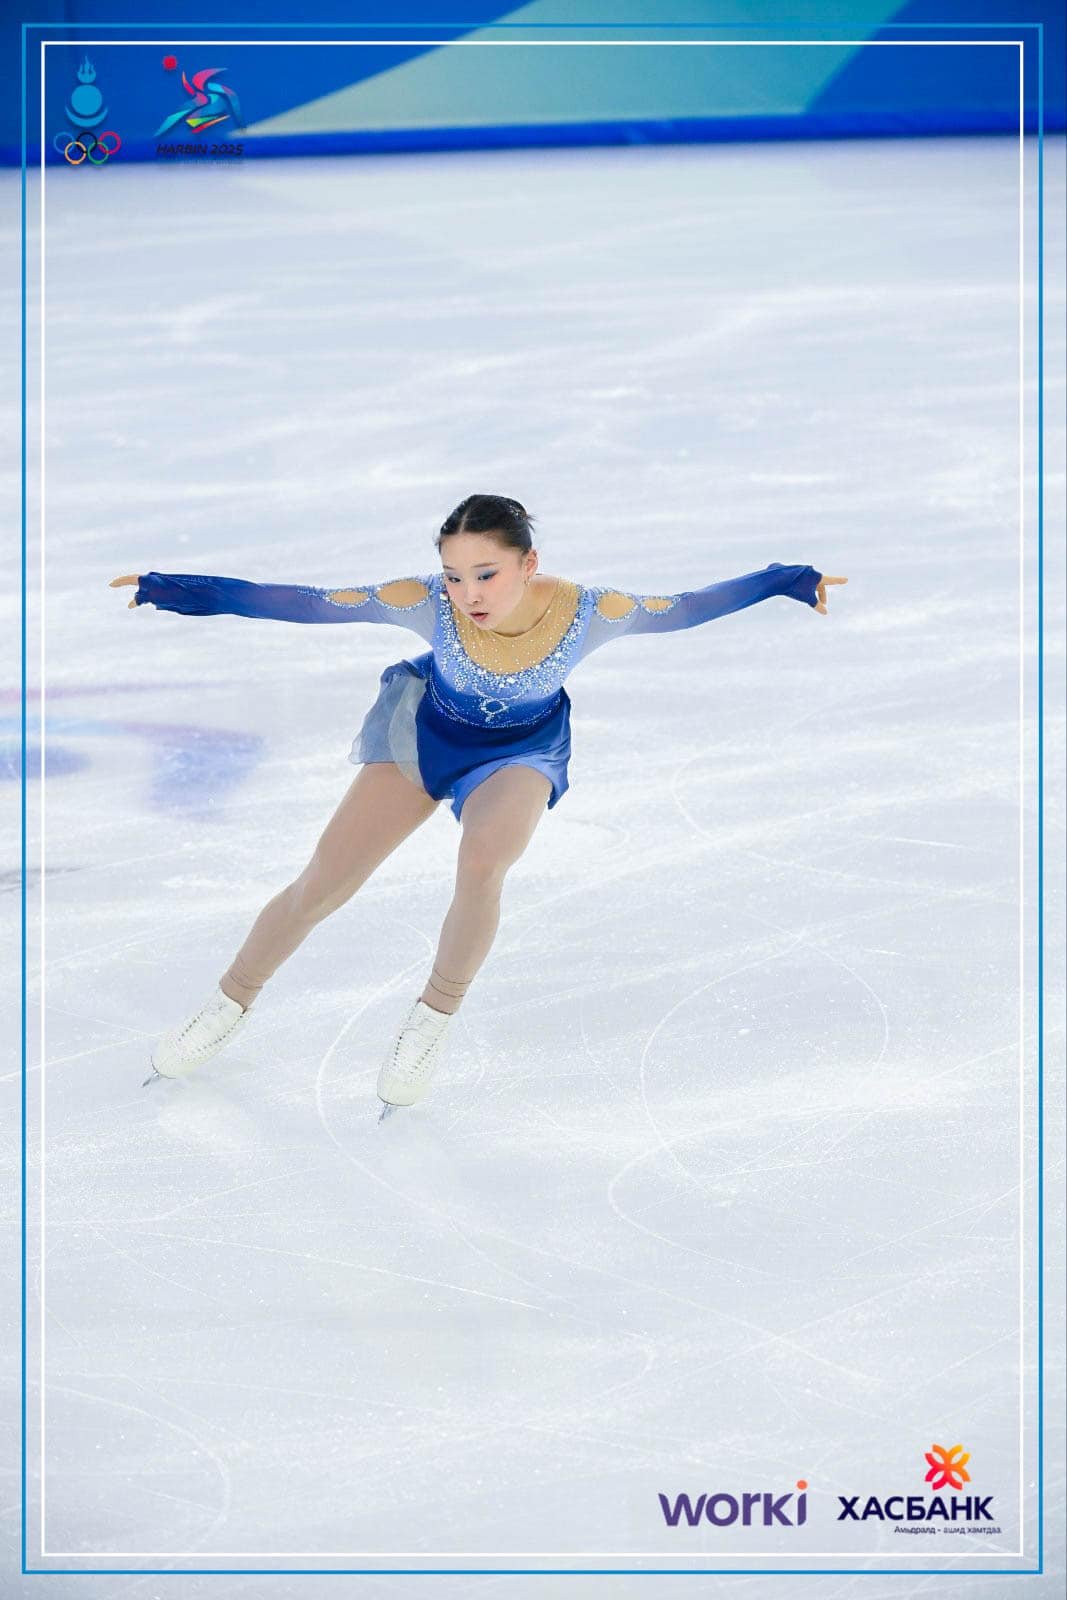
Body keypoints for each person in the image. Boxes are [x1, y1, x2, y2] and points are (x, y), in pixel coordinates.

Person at [109, 493, 846, 1117]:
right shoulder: (425, 603)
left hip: (519, 753)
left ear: (529, 564)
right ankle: (228, 1004)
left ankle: (431, 1020)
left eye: (486, 574)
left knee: (483, 863)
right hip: (423, 736)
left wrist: (786, 580)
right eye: (455, 576)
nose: (469, 595)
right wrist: (176, 589)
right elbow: (303, 603)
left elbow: (686, 608)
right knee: (324, 884)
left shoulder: (594, 611)